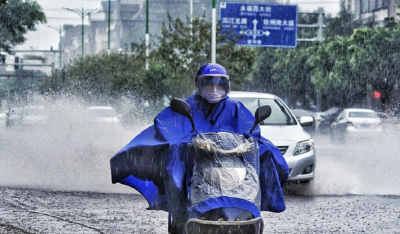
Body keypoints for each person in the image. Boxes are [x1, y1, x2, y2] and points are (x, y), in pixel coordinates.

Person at [110, 63, 289, 232]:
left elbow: (251, 132)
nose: (214, 89)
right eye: (209, 84)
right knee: (173, 164)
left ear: (226, 86)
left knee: (268, 153)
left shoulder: (235, 108)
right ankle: (180, 212)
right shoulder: (188, 106)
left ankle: (251, 205)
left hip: (231, 160)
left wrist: (251, 142)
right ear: (200, 85)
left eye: (219, 84)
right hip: (195, 161)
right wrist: (184, 143)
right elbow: (168, 127)